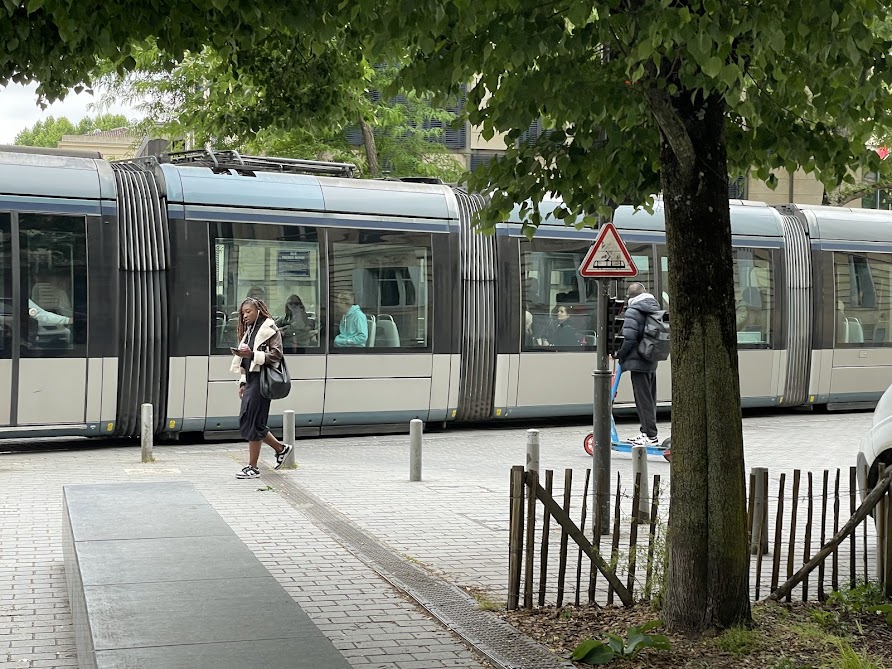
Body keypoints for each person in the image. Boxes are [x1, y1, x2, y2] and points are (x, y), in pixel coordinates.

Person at [230, 296, 292, 479]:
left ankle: (253, 466)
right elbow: (245, 359)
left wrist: (253, 354)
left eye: (248, 312)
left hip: (262, 380)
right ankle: (281, 449)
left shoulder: (269, 329)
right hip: (251, 380)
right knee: (250, 420)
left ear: (259, 311)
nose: (244, 316)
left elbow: (277, 355)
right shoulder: (249, 330)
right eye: (243, 313)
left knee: (252, 421)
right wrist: (242, 381)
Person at [615, 282, 662, 446]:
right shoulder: (653, 307)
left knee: (642, 399)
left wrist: (619, 354)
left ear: (630, 297)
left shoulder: (633, 311)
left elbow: (628, 338)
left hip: (637, 360)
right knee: (649, 398)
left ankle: (650, 435)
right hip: (651, 357)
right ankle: (648, 432)